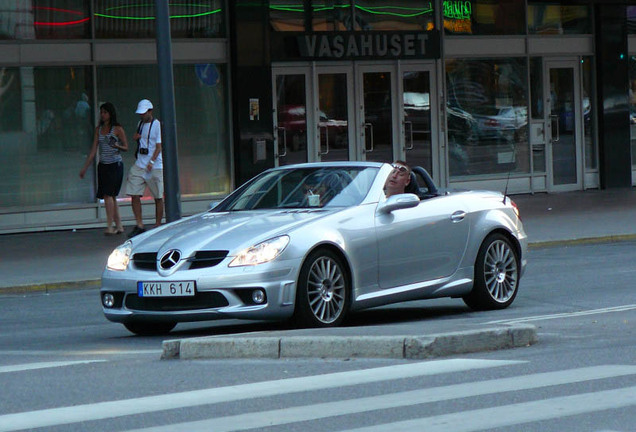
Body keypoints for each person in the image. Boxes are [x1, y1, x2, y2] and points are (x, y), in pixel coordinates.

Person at [79, 102, 129, 235]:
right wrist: (85, 167)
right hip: (103, 165)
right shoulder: (98, 129)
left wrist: (116, 145)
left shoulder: (117, 129)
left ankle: (109, 225)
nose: (102, 115)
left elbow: (126, 147)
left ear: (110, 113)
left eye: (105, 112)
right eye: (101, 112)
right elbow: (94, 150)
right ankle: (119, 225)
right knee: (110, 196)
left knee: (108, 195)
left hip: (115, 165)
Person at [125, 99, 163, 238]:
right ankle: (139, 224)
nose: (141, 116)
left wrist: (152, 161)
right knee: (134, 193)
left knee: (158, 196)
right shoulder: (140, 123)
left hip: (154, 164)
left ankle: (158, 224)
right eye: (140, 113)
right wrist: (136, 138)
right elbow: (140, 139)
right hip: (140, 163)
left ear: (150, 111)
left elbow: (158, 146)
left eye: (143, 113)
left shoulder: (157, 125)